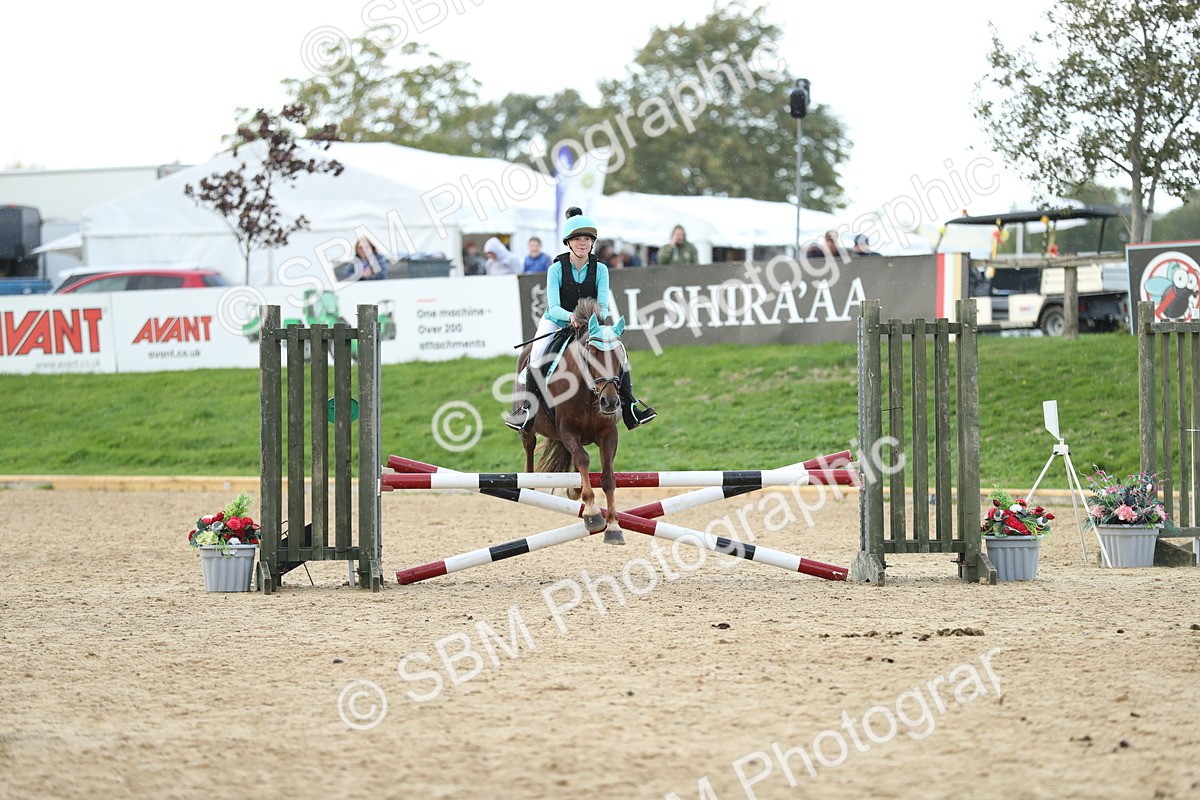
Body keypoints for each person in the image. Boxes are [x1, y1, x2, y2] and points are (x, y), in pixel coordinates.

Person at [504, 206, 657, 433]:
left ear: (592, 242)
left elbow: (602, 305)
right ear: (568, 242)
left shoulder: (601, 269)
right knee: (536, 357)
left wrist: (590, 319)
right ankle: (527, 411)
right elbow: (553, 307)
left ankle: (630, 408)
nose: (583, 243)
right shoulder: (556, 269)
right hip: (556, 321)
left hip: (590, 323)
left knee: (620, 354)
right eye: (577, 239)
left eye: (587, 239)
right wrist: (570, 317)